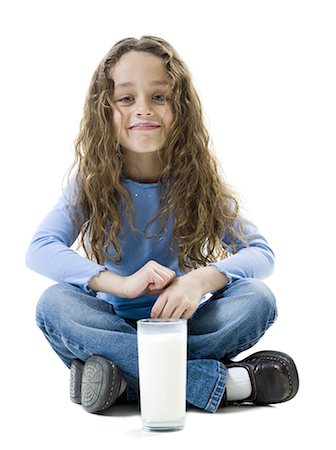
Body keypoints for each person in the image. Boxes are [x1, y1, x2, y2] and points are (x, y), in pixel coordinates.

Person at [26, 35, 299, 414]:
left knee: (257, 299)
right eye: (126, 99)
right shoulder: (91, 184)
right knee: (54, 304)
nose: (143, 110)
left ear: (180, 109)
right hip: (110, 329)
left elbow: (261, 254)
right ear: (104, 111)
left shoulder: (199, 183)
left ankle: (120, 383)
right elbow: (40, 248)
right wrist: (119, 283)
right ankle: (226, 384)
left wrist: (198, 281)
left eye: (159, 97)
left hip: (183, 331)